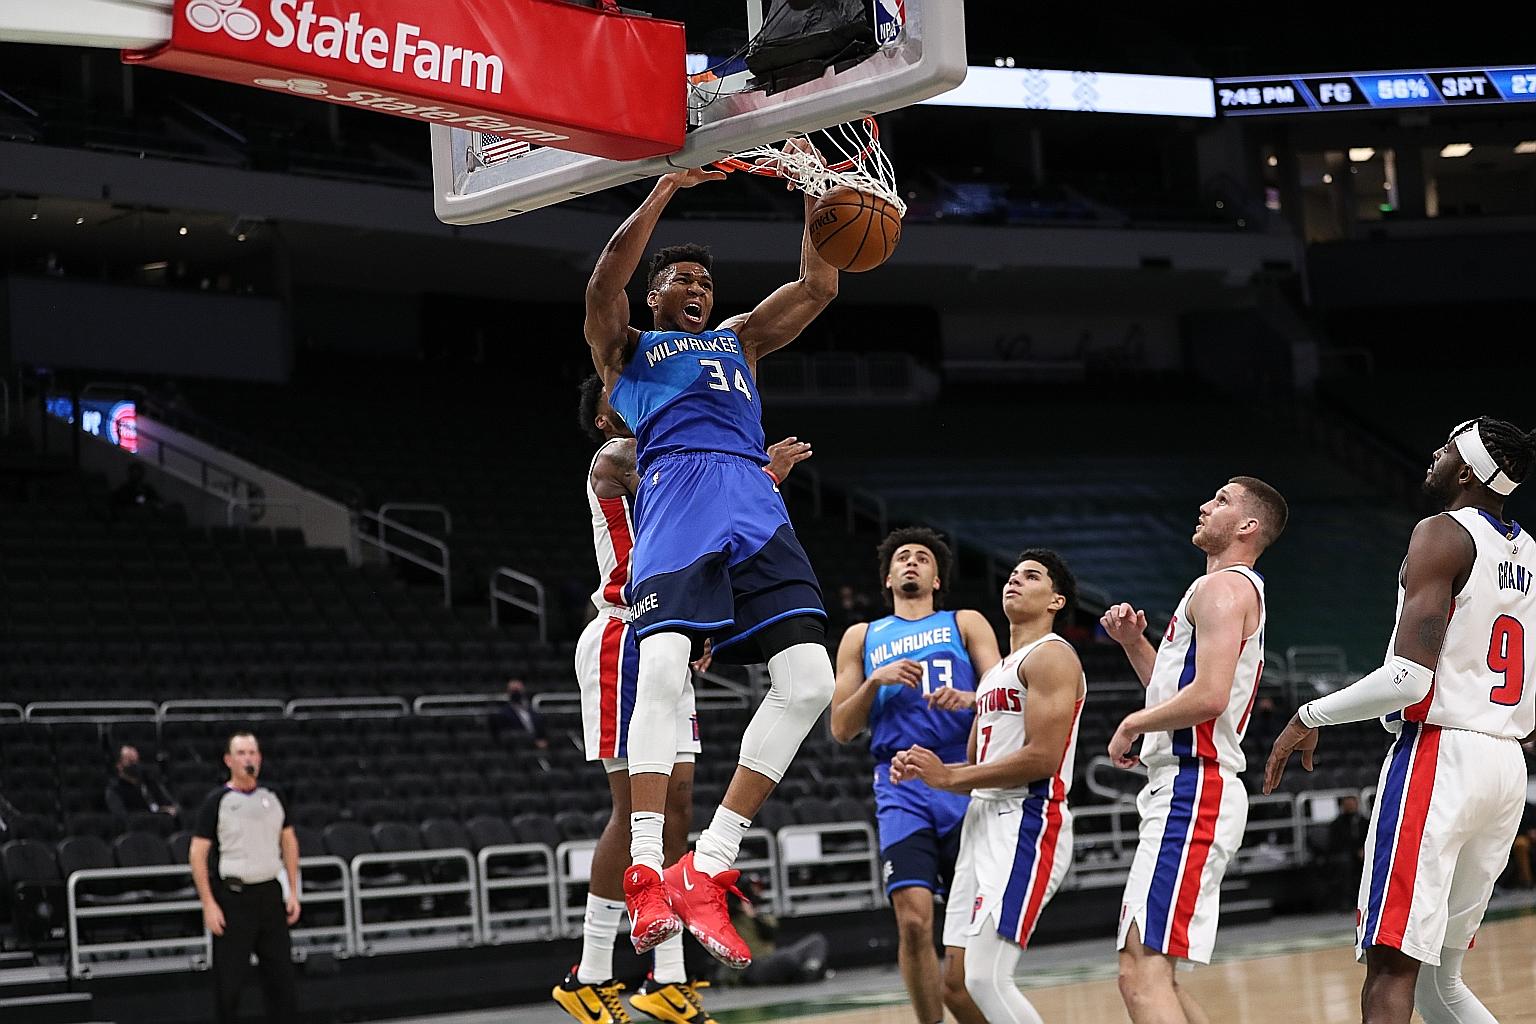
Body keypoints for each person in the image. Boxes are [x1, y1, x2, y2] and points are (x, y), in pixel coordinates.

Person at [584, 149, 840, 969]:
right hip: (679, 499)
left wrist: (815, 204)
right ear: (656, 297)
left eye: (703, 281)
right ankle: (648, 874)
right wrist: (664, 187)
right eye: (680, 281)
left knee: (810, 682)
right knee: (659, 674)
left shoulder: (740, 341)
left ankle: (712, 862)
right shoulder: (629, 353)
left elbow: (820, 287)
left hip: (753, 499)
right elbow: (600, 288)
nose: (696, 289)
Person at [554, 376, 811, 1024]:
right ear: (610, 416)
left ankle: (667, 977)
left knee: (675, 810)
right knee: (630, 808)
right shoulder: (617, 457)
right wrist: (757, 474)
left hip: (669, 634)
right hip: (622, 634)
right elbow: (696, 503)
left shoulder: (675, 460)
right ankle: (588, 973)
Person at [1266, 417, 1536, 1024]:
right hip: (1506, 762)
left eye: (1445, 447)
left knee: (1391, 968)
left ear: (1466, 471)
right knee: (1444, 983)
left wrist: (1310, 714)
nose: (1433, 455)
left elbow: (1407, 679)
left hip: (1441, 757)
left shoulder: (1441, 533)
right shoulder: (1530, 553)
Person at [1100, 476, 1288, 1024]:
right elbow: (1179, 691)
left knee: (1140, 973)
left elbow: (1207, 698)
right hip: (1187, 786)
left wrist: (1132, 722)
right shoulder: (1221, 590)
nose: (1205, 504)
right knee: (1156, 975)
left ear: (1248, 527)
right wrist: (1136, 645)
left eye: (1223, 500)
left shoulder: (1223, 589)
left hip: (1194, 787)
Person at [892, 549, 1085, 1024]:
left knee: (985, 979)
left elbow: (1043, 758)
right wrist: (926, 769)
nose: (1015, 580)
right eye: (1013, 574)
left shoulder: (1052, 656)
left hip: (1029, 819)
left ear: (1055, 599)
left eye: (1032, 576)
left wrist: (950, 775)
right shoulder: (994, 674)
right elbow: (981, 767)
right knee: (957, 987)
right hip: (983, 821)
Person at [830, 527, 999, 1024]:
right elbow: (842, 727)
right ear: (887, 578)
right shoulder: (862, 636)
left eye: (921, 558)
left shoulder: (963, 622)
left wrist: (972, 698)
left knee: (974, 936)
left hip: (963, 773)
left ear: (936, 577)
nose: (910, 563)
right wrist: (873, 683)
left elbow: (1004, 687)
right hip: (900, 783)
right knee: (912, 920)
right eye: (902, 558)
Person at [188, 731, 300, 1024]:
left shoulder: (273, 796)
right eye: (241, 753)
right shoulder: (218, 801)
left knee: (282, 981)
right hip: (234, 899)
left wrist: (293, 891)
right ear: (228, 760)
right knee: (229, 984)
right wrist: (208, 903)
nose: (248, 758)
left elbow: (288, 843)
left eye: (252, 752)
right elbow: (197, 854)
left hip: (270, 896)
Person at [104, 744, 177, 820]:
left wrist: (169, 809)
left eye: (136, 760)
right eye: (131, 761)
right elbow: (123, 818)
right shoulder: (114, 790)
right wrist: (156, 814)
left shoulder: (149, 780)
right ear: (119, 765)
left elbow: (169, 803)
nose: (135, 765)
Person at [491, 679, 549, 750]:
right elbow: (506, 736)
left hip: (537, 749)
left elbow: (541, 731)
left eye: (517, 690)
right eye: (513, 691)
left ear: (523, 691)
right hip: (517, 749)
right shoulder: (503, 714)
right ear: (508, 692)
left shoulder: (533, 712)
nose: (516, 693)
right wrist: (533, 742)